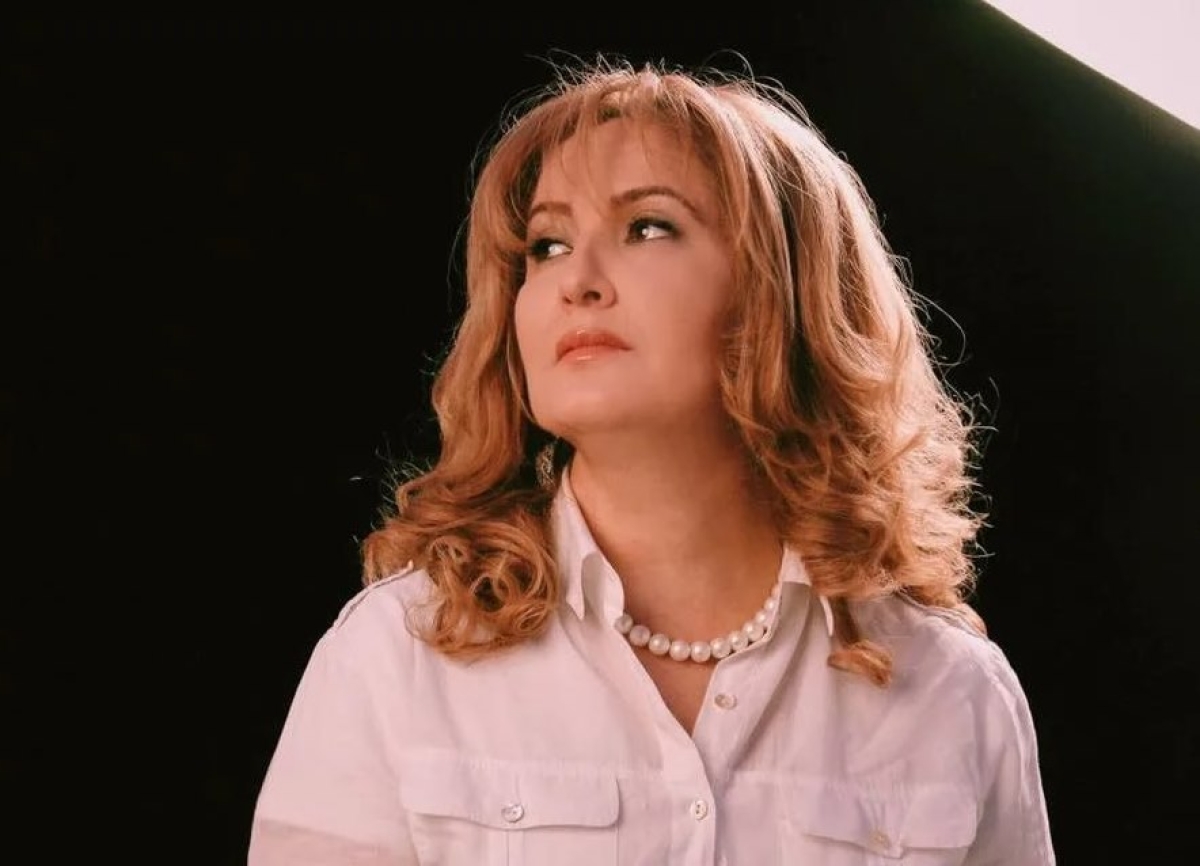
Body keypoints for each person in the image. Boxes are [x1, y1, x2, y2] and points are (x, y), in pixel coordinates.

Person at [248, 55, 1055, 865]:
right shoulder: (399, 655)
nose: (577, 281)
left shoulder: (952, 693)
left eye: (648, 227)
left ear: (783, 290)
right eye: (547, 245)